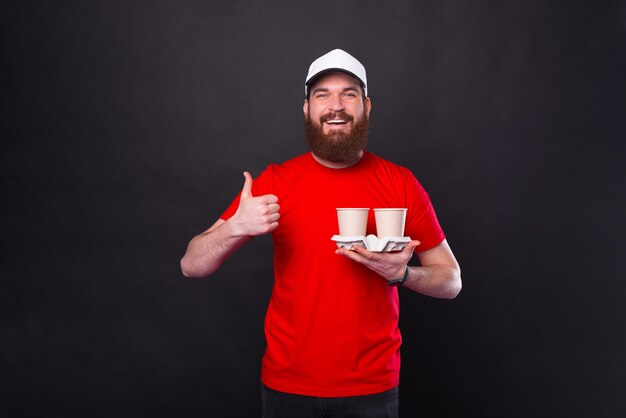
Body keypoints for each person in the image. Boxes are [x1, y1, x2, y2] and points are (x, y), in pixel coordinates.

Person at [181, 49, 462, 418]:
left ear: (366, 107)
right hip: (287, 386)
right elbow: (192, 265)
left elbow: (451, 280)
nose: (336, 105)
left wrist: (403, 274)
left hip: (372, 388)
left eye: (348, 94)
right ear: (306, 108)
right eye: (322, 94)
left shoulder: (401, 183)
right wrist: (235, 227)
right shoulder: (275, 182)